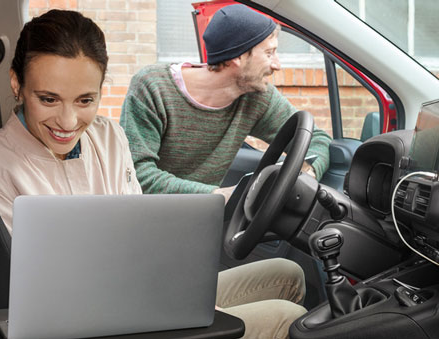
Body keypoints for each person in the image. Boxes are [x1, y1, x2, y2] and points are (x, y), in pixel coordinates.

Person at [0, 10, 306, 339]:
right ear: (17, 84)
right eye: (48, 99)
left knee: (288, 274)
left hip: (142, 292)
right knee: (288, 319)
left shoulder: (107, 136)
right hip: (95, 322)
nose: (69, 122)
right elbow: (40, 298)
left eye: (86, 99)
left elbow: (134, 234)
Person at [120, 4, 332, 201]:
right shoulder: (153, 88)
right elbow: (136, 173)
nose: (277, 65)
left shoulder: (257, 97)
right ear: (237, 57)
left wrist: (308, 174)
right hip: (148, 216)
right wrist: (218, 195)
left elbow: (316, 139)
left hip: (207, 218)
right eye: (269, 53)